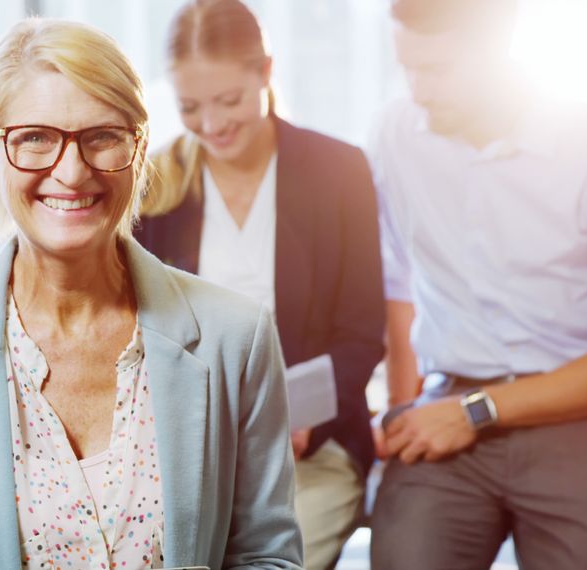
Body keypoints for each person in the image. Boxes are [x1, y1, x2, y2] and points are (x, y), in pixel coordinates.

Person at [0, 18, 302, 570]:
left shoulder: (237, 338)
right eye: (34, 139)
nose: (72, 172)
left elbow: (267, 556)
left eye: (102, 137)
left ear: (138, 150)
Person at [368, 0, 587, 568]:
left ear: (502, 51)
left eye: (437, 70)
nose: (418, 91)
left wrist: (474, 413)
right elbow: (397, 280)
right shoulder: (395, 134)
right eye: (407, 68)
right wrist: (402, 407)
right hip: (445, 400)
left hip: (580, 418)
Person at [135, 1, 384, 568]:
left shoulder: (339, 171)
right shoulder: (155, 186)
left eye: (229, 100)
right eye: (190, 107)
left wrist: (301, 420)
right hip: (189, 454)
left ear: (265, 74)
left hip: (311, 452)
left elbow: (362, 331)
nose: (213, 125)